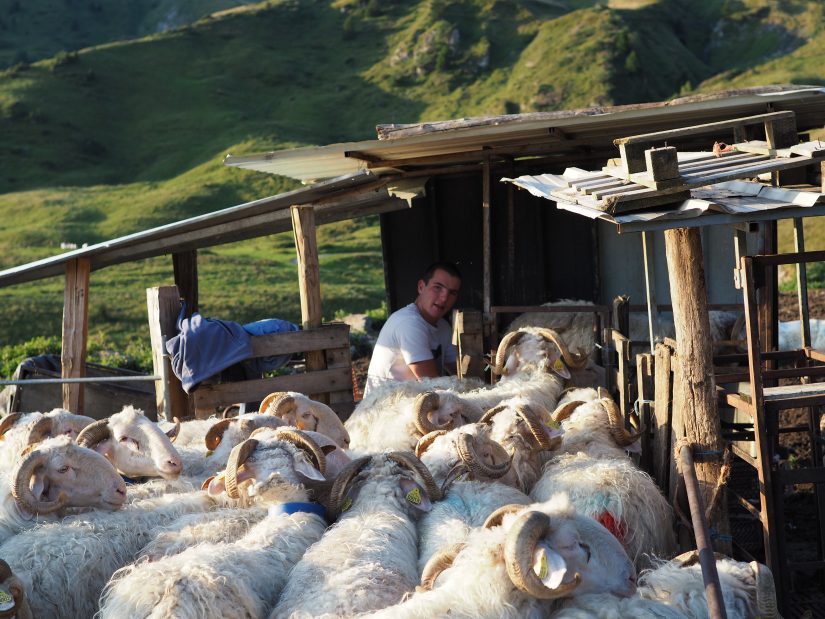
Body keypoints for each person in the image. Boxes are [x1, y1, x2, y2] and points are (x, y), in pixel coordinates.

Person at [364, 261, 462, 396]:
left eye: (452, 293)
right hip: (386, 409)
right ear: (421, 287)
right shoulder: (408, 323)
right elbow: (432, 383)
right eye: (438, 287)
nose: (444, 298)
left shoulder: (443, 327)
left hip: (415, 404)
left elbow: (461, 373)